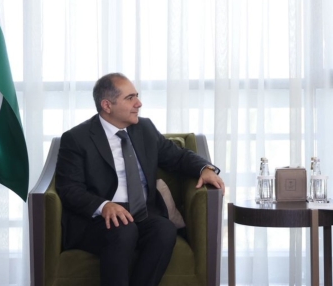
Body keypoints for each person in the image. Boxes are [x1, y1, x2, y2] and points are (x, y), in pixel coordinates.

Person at [55, 73, 224, 286]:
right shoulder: (76, 139)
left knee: (164, 230)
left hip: (141, 213)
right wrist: (104, 205)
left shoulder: (144, 129)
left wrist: (205, 168)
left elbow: (177, 156)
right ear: (107, 105)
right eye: (130, 98)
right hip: (98, 220)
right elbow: (69, 188)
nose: (139, 103)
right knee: (123, 231)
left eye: (137, 96)